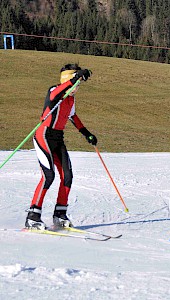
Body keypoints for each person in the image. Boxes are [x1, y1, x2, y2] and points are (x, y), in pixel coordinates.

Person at [25, 63, 97, 230]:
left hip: (58, 138)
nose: (77, 88)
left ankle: (60, 214)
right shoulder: (55, 91)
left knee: (67, 176)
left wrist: (87, 133)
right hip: (43, 135)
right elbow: (57, 93)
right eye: (77, 85)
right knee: (48, 176)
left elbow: (73, 117)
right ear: (69, 80)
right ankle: (33, 216)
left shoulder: (70, 99)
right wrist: (76, 79)